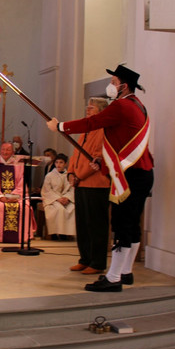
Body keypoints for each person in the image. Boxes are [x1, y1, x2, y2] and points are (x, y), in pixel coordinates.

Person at [47, 64, 154, 292]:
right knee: (131, 225)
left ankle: (113, 278)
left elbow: (91, 123)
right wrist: (103, 163)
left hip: (131, 177)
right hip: (141, 173)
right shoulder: (139, 106)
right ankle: (125, 273)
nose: (111, 86)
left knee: (122, 225)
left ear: (124, 86)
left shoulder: (122, 106)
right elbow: (122, 145)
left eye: (114, 82)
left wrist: (60, 126)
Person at [66, 97, 110, 274]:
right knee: (82, 224)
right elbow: (76, 154)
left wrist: (79, 176)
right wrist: (70, 173)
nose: (88, 110)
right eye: (87, 107)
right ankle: (85, 258)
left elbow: (97, 157)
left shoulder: (104, 130)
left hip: (96, 184)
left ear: (101, 112)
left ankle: (97, 262)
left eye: (91, 108)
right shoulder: (85, 130)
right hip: (80, 183)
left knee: (96, 224)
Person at [41, 153, 75, 240]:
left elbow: (72, 189)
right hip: (53, 199)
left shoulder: (69, 176)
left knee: (72, 208)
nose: (58, 165)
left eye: (61, 162)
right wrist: (58, 198)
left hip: (66, 199)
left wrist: (67, 198)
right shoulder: (50, 175)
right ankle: (55, 233)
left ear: (65, 164)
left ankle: (66, 233)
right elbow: (47, 190)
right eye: (56, 162)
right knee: (59, 209)